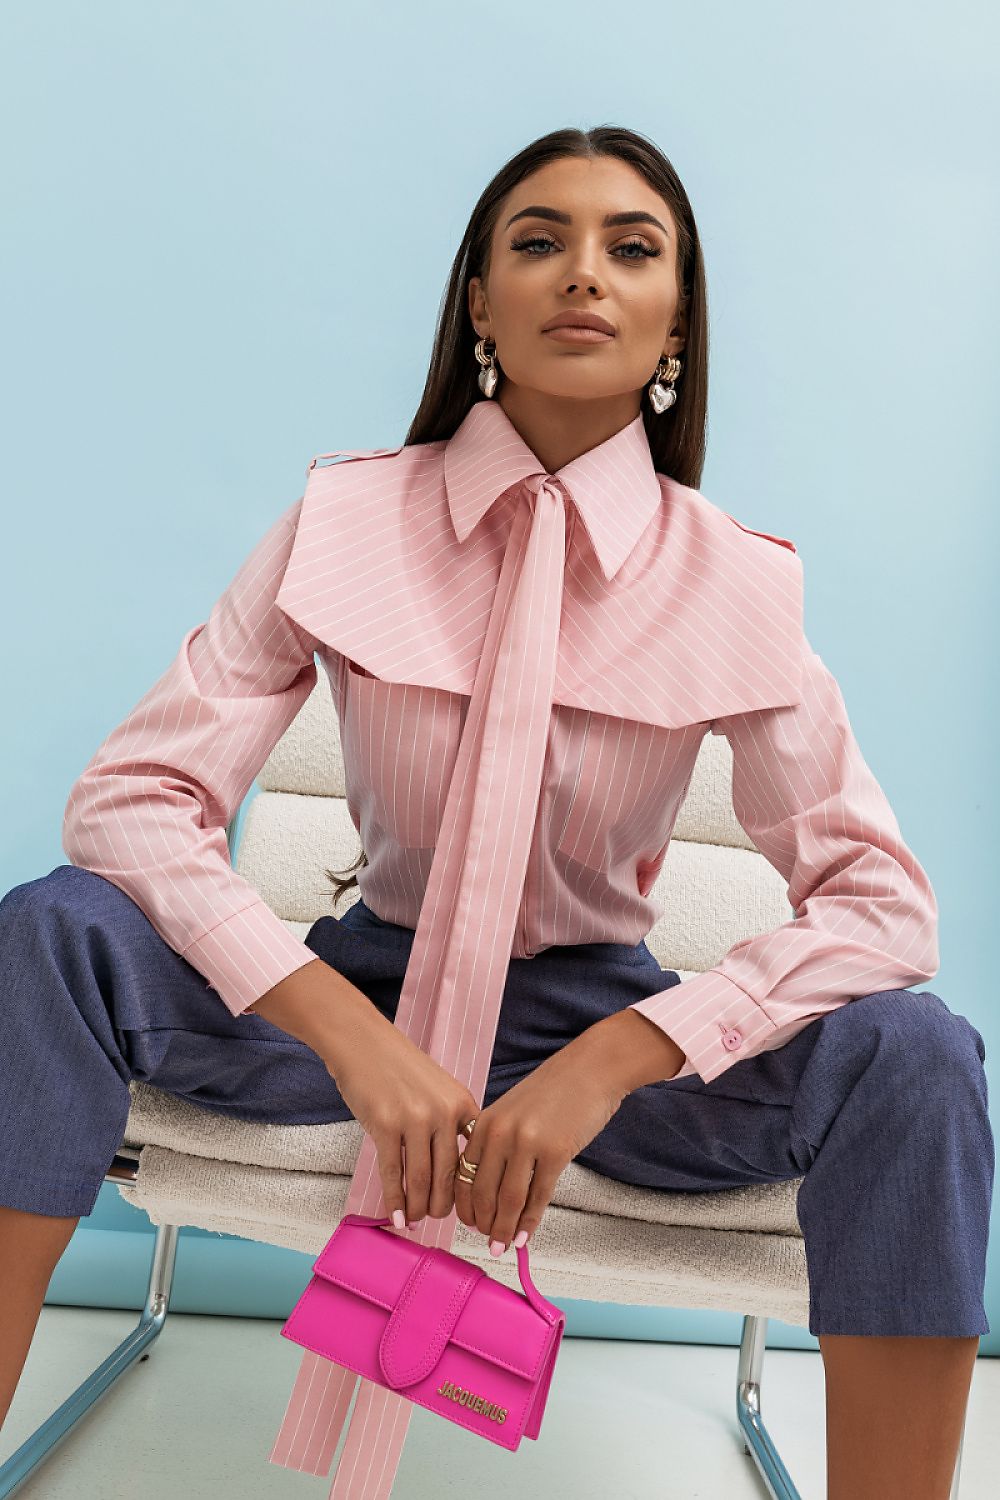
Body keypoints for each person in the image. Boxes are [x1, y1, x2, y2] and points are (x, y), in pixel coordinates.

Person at [0, 124, 991, 1500]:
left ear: (675, 318)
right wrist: (352, 1036)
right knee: (52, 929)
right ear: (479, 300)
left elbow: (883, 908)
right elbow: (131, 797)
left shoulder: (737, 585)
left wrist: (614, 1062)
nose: (583, 276)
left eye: (631, 249)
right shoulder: (342, 519)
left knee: (920, 1054)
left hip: (593, 1024)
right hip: (355, 987)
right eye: (538, 242)